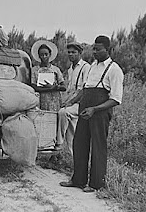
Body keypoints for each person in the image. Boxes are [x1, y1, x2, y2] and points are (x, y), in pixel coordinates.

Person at [60, 35, 124, 192]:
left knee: (98, 146)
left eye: (98, 49)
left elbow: (115, 99)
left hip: (100, 112)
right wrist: (72, 102)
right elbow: (85, 89)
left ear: (107, 50)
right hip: (85, 109)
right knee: (79, 144)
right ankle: (78, 180)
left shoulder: (114, 70)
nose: (94, 52)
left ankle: (96, 184)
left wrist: (95, 109)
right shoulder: (92, 66)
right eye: (93, 48)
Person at [53, 42, 90, 153]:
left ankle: (58, 142)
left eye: (73, 52)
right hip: (72, 99)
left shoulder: (85, 67)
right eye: (69, 52)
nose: (71, 55)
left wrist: (71, 102)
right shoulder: (70, 69)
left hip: (82, 102)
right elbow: (69, 89)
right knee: (72, 132)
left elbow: (85, 90)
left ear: (80, 53)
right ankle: (72, 157)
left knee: (63, 113)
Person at [30, 40, 66, 112]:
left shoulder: (56, 69)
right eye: (41, 55)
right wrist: (49, 88)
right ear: (39, 56)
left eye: (46, 54)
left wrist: (55, 87)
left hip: (54, 100)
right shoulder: (34, 70)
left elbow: (64, 87)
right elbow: (33, 86)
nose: (44, 57)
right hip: (40, 100)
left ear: (50, 54)